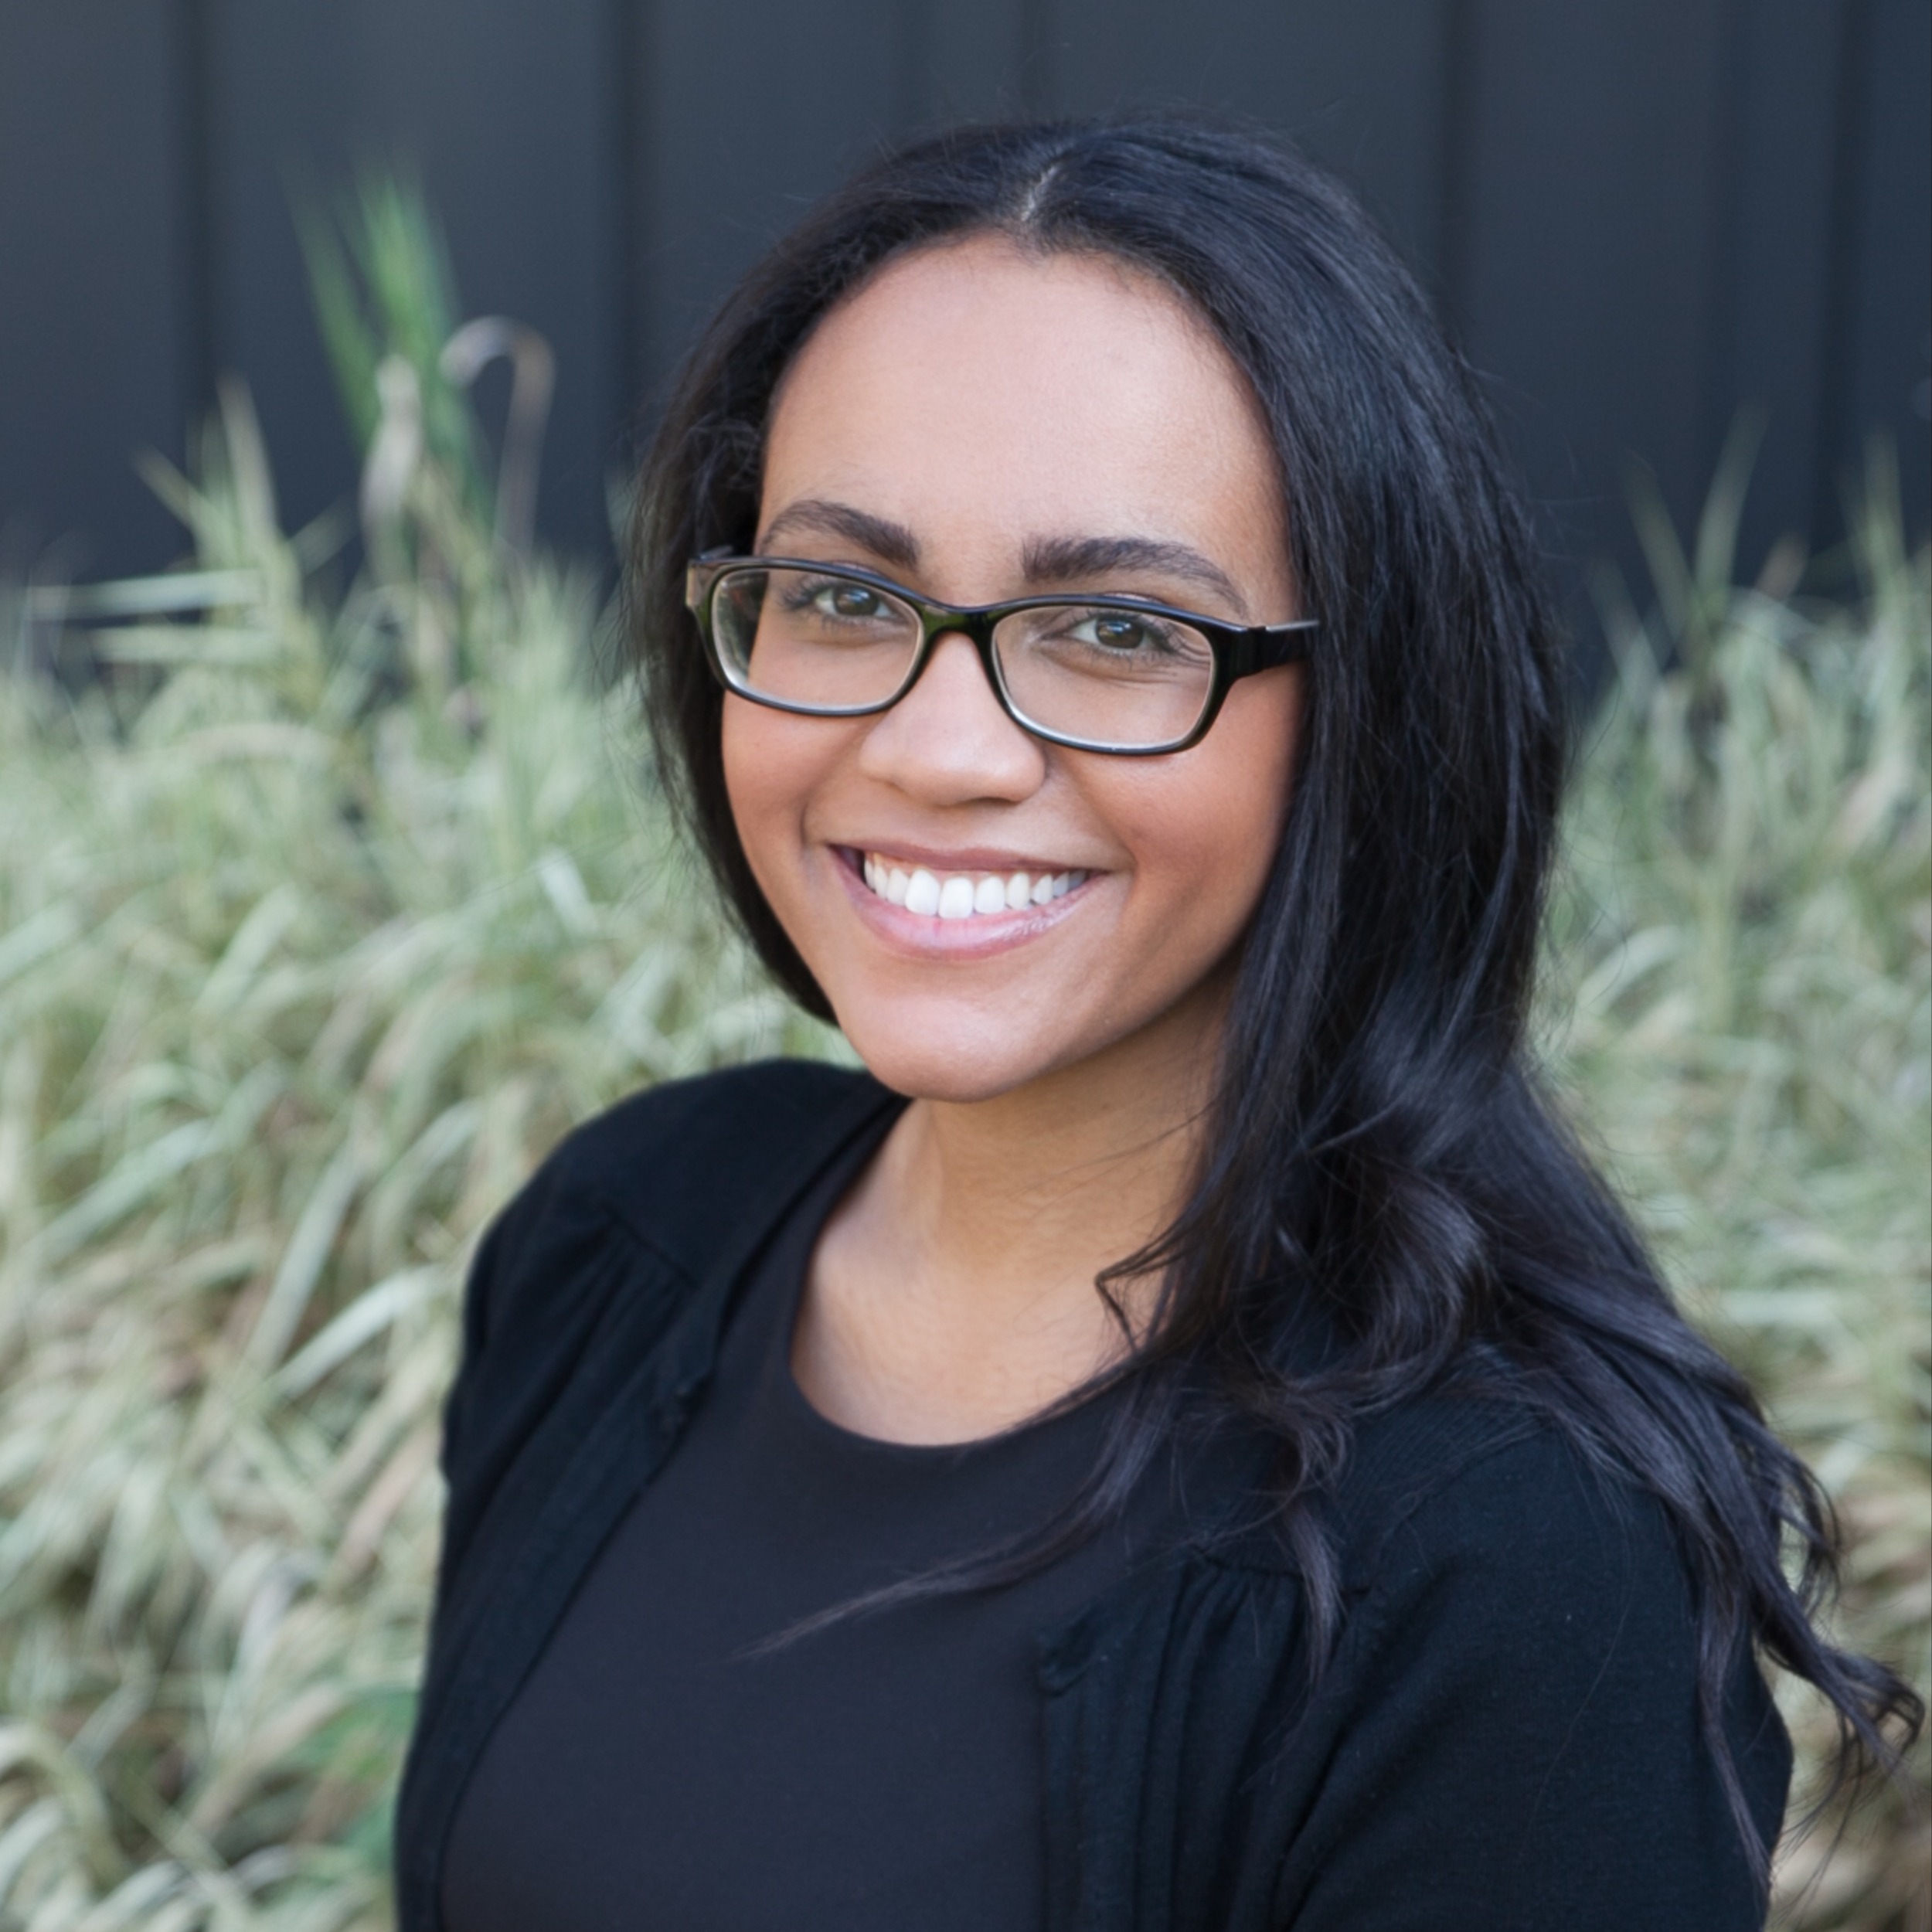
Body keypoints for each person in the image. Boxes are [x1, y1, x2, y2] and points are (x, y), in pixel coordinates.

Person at [395, 117, 1918, 1931]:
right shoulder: (620, 1236)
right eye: (838, 592)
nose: (937, 747)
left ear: (1364, 712)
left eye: (1115, 629)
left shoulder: (1505, 1569)